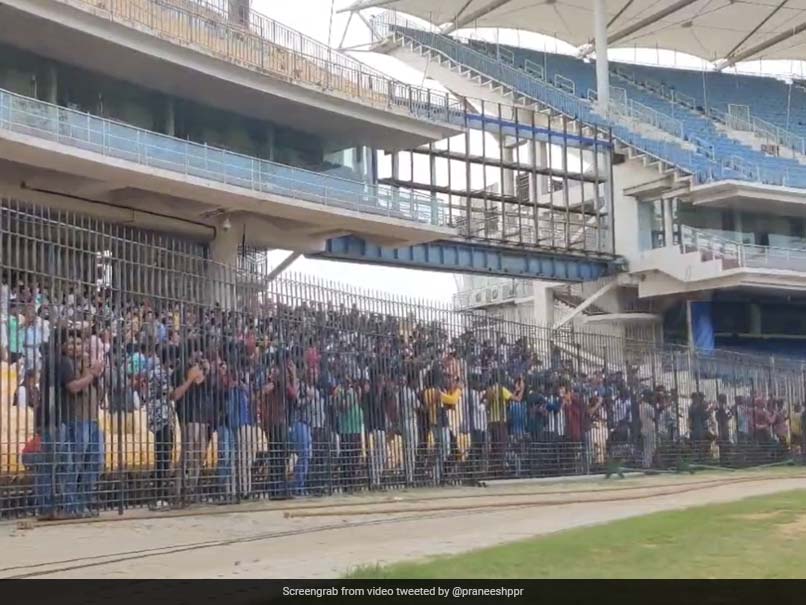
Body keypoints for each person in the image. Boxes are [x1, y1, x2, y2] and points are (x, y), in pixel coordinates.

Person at [171, 347, 214, 504]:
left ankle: (191, 489)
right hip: (187, 416)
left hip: (203, 417)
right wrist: (190, 379)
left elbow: (210, 389)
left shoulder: (204, 371)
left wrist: (207, 372)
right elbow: (175, 395)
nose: (199, 356)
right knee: (187, 455)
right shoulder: (179, 371)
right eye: (196, 352)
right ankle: (178, 490)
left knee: (199, 455)